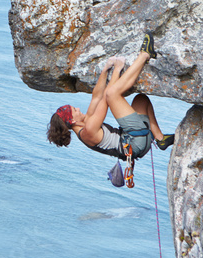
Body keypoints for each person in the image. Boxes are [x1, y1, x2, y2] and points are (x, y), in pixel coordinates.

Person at [46, 33, 174, 164]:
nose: (78, 109)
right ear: (72, 120)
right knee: (112, 94)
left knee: (141, 100)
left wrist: (105, 69)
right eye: (75, 110)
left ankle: (160, 138)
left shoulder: (85, 123)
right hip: (136, 143)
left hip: (135, 139)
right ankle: (145, 55)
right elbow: (106, 99)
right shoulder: (88, 131)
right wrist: (117, 69)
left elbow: (96, 97)